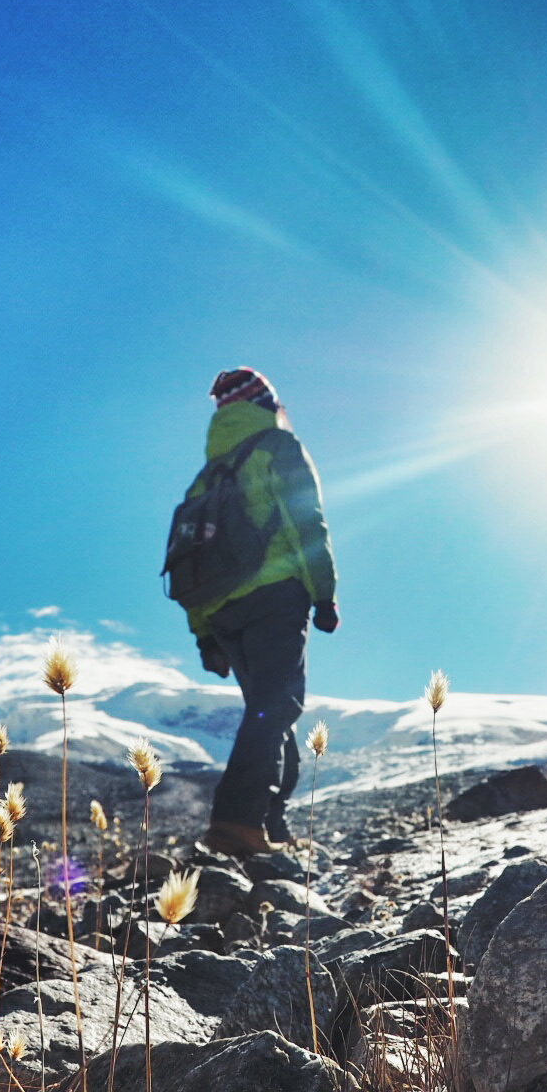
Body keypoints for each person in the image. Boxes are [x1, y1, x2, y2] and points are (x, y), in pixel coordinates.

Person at [182, 367, 338, 856]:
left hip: (222, 613)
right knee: (278, 706)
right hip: (275, 594)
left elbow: (189, 562)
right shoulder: (277, 446)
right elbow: (306, 521)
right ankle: (235, 823)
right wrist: (324, 594)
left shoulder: (205, 477)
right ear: (266, 403)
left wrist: (204, 635)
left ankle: (270, 825)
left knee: (268, 710)